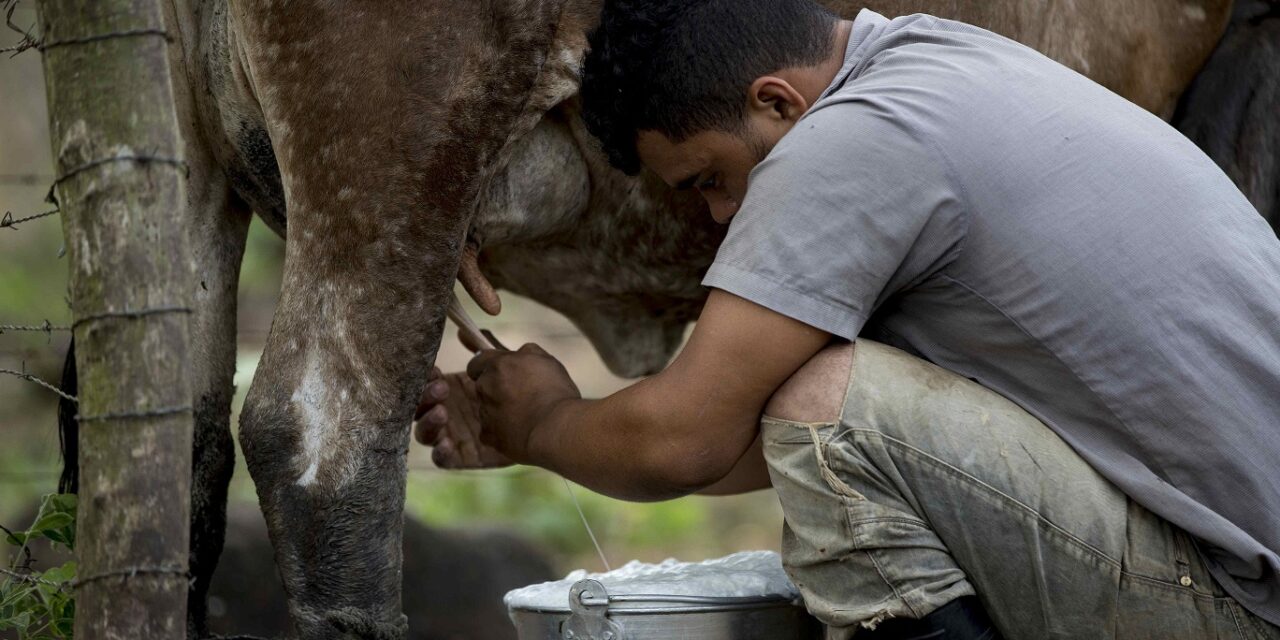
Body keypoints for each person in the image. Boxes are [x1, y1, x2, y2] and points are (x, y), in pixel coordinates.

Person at [414, 0, 1280, 637]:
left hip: (1233, 596)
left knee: (824, 403)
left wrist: (549, 423)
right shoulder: (942, 61)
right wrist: (544, 434)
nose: (718, 218)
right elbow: (743, 439)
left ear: (776, 103)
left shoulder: (854, 140)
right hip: (1241, 561)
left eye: (708, 180)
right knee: (821, 407)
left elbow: (687, 438)